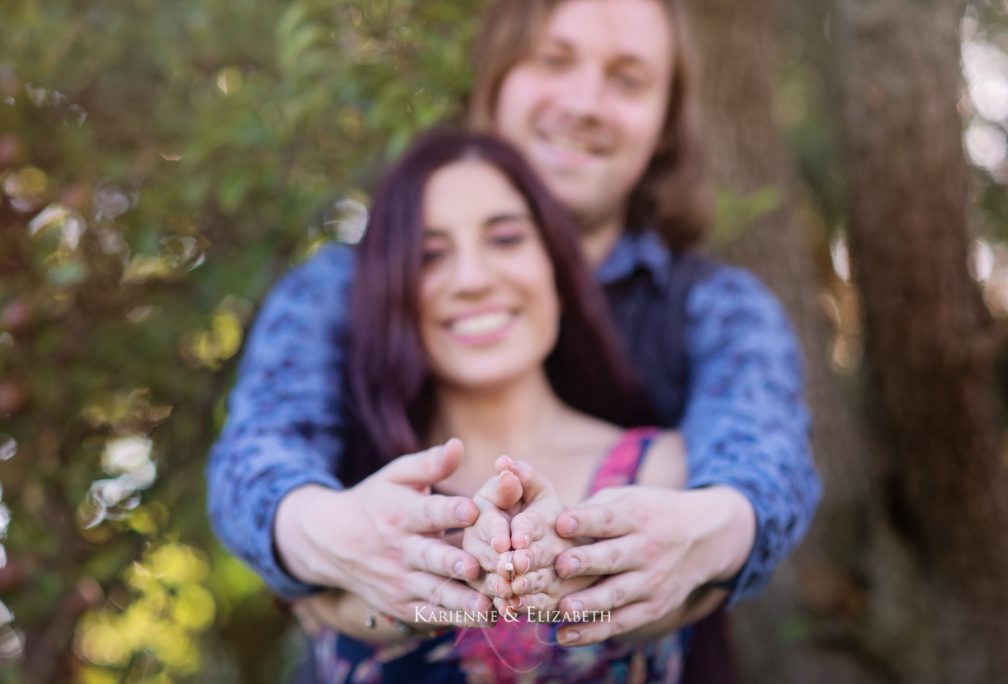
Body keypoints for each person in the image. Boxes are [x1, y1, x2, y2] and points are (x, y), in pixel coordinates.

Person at [207, 0, 820, 673]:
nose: (585, 102)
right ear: (495, 78)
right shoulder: (338, 290)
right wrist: (324, 542)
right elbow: (257, 456)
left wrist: (709, 538)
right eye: (554, 60)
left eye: (629, 79)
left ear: (666, 126)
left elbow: (766, 459)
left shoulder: (716, 307)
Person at [302, 127, 705, 682]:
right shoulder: (341, 488)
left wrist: (561, 570)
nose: (471, 280)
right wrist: (456, 580)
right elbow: (320, 606)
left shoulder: (668, 467)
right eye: (431, 254)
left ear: (558, 271)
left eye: (506, 239)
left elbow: (689, 597)